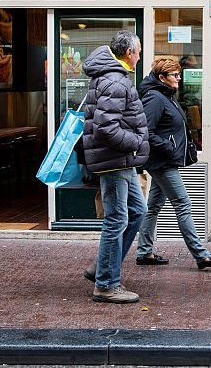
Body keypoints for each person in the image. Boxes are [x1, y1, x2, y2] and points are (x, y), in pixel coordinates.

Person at [135, 58, 211, 270]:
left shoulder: (166, 96)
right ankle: (201, 255)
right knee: (183, 204)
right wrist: (167, 147)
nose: (179, 78)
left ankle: (144, 252)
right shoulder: (155, 98)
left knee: (153, 207)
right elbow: (146, 132)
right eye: (175, 75)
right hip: (161, 163)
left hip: (164, 161)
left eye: (179, 74)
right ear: (161, 78)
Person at [80, 30, 149, 304]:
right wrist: (134, 142)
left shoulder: (113, 77)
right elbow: (106, 128)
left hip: (121, 160)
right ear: (129, 53)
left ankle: (102, 267)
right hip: (115, 160)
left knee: (137, 211)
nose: (140, 55)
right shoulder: (115, 81)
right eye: (139, 50)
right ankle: (106, 284)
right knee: (117, 219)